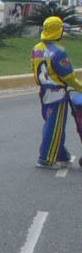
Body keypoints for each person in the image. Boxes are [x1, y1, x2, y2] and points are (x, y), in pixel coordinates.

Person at [34, 15, 77, 168]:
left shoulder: (37, 49)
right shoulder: (59, 52)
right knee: (54, 126)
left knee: (51, 123)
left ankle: (61, 155)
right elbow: (69, 77)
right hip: (57, 92)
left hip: (44, 91)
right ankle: (46, 158)